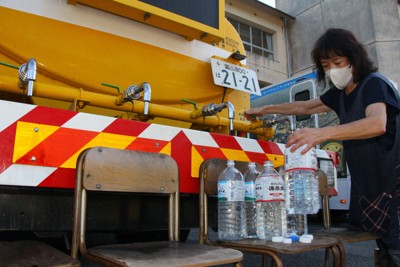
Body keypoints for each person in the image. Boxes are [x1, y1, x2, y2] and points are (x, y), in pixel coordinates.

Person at [244, 28, 400, 266]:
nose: (332, 70)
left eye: (337, 62)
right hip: (371, 183)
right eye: (326, 65)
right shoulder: (340, 94)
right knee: (385, 248)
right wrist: (264, 109)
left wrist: (321, 133)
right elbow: (305, 107)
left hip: (392, 179)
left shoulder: (373, 84)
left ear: (354, 58)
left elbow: (377, 123)